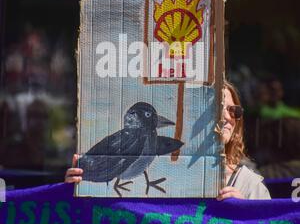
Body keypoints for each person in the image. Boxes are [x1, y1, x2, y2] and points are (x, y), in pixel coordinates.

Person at [65, 80, 271, 200]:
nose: (227, 117)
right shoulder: (168, 174)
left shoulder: (250, 185)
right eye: (216, 108)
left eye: (233, 111)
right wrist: (76, 187)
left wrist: (245, 216)